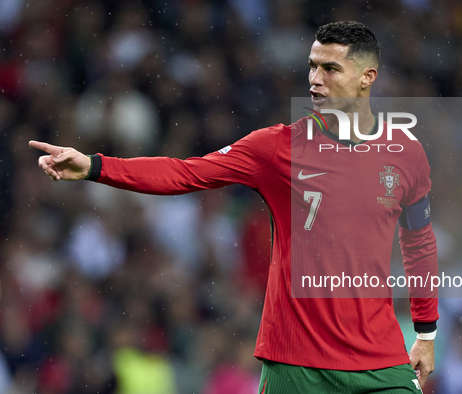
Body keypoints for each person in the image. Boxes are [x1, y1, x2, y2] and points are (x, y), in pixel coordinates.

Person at [30, 21, 438, 393]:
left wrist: (426, 332)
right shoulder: (277, 148)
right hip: (298, 365)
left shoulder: (406, 154)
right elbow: (184, 173)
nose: (315, 80)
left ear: (368, 78)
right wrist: (95, 166)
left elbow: (418, 242)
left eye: (330, 69)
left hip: (381, 362)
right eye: (312, 66)